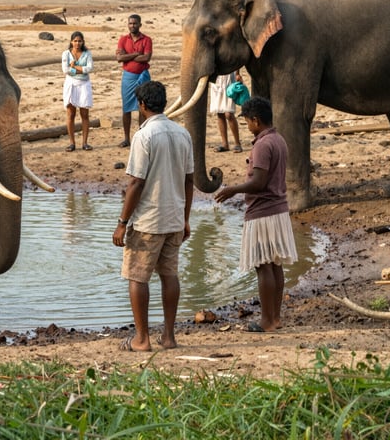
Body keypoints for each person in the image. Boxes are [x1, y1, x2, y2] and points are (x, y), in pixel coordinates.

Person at [112, 80, 194, 352]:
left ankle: (142, 338)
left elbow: (136, 182)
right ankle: (168, 336)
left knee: (138, 276)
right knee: (170, 275)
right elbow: (189, 180)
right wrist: (185, 218)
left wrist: (122, 223)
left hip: (148, 219)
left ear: (142, 105)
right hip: (174, 217)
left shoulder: (144, 136)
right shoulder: (182, 133)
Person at [213, 97, 297, 332]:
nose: (247, 126)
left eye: (247, 122)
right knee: (275, 264)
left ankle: (267, 321)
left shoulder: (262, 145)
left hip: (262, 211)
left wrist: (233, 190)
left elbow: (258, 182)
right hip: (278, 209)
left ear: (256, 121)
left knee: (263, 265)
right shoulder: (278, 139)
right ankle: (275, 318)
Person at [115, 14, 152, 148]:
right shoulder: (123, 39)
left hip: (143, 76)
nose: (132, 26)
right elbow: (119, 58)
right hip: (128, 77)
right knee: (126, 108)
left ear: (140, 25)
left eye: (135, 23)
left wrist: (128, 56)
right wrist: (136, 54)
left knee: (143, 107)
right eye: (130, 23)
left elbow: (147, 58)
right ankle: (126, 138)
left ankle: (141, 136)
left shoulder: (146, 40)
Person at [62, 30, 94, 151]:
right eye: (75, 41)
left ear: (83, 42)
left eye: (79, 41)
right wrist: (80, 70)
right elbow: (65, 70)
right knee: (71, 114)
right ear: (71, 42)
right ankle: (72, 143)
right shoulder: (66, 54)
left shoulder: (87, 53)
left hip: (84, 84)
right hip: (71, 84)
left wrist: (74, 67)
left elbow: (90, 68)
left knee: (84, 114)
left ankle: (85, 143)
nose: (77, 43)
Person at [209, 71, 243, 152]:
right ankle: (225, 144)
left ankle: (237, 143)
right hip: (216, 79)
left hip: (229, 77)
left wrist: (237, 73)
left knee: (229, 114)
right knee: (220, 113)